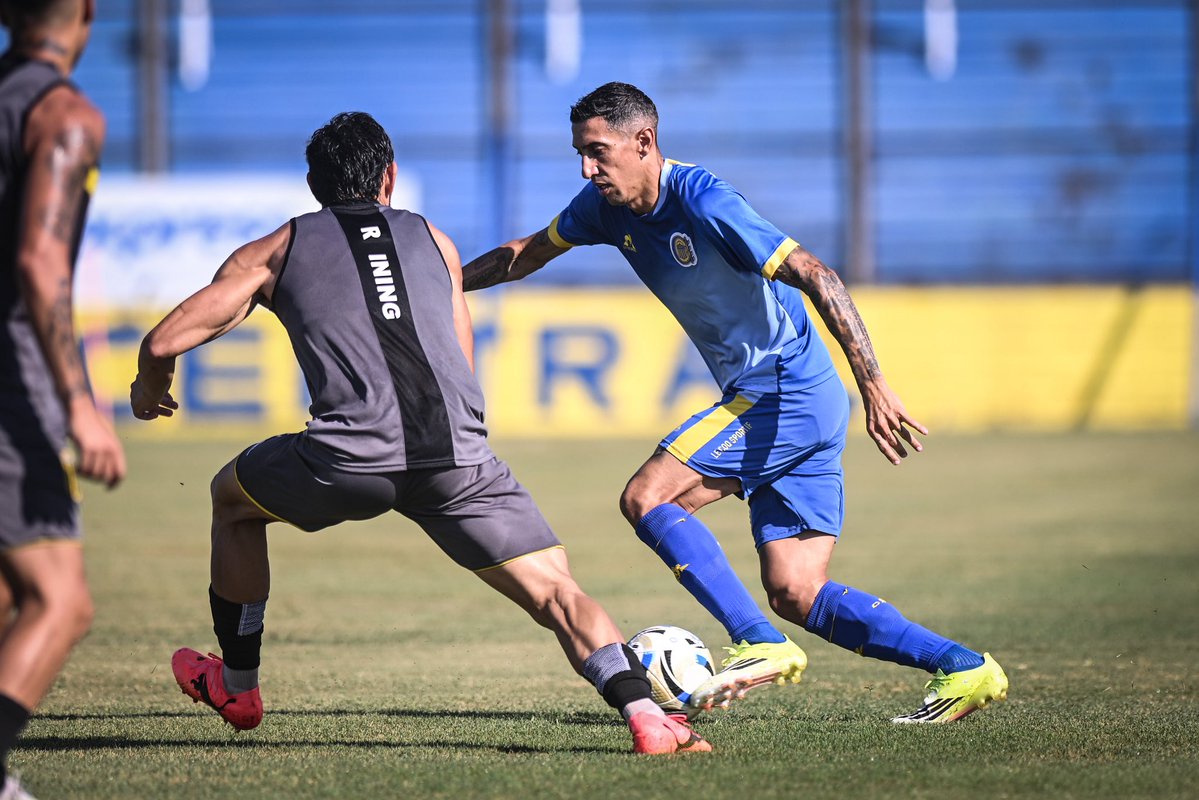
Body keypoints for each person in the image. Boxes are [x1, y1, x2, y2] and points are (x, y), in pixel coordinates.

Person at [128, 111, 710, 755]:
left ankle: (237, 687)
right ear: (389, 178)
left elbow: (164, 341)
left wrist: (148, 391)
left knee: (231, 502)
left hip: (348, 459)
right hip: (459, 458)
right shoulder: (436, 240)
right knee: (557, 592)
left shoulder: (276, 250)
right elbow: (462, 363)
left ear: (314, 184)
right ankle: (646, 718)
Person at [461, 82, 1008, 723]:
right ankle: (966, 668)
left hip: (785, 390)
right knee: (798, 591)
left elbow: (817, 274)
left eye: (598, 151)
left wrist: (875, 384)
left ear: (644, 142)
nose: (587, 167)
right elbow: (523, 255)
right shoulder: (601, 208)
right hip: (792, 399)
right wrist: (438, 283)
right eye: (580, 153)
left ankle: (757, 643)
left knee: (648, 497)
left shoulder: (707, 200)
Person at [0, 1, 124, 797]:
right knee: (61, 600)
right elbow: (42, 264)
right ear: (84, 12)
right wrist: (79, 403)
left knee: (10, 589)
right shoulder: (65, 113)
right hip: (11, 373)